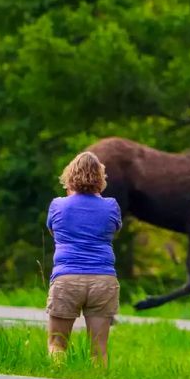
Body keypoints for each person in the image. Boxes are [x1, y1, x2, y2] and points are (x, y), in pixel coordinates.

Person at [46, 151, 122, 366]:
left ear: (70, 176)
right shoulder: (111, 206)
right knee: (99, 351)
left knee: (57, 345)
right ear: (100, 177)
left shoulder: (57, 206)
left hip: (67, 279)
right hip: (103, 281)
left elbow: (55, 233)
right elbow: (112, 231)